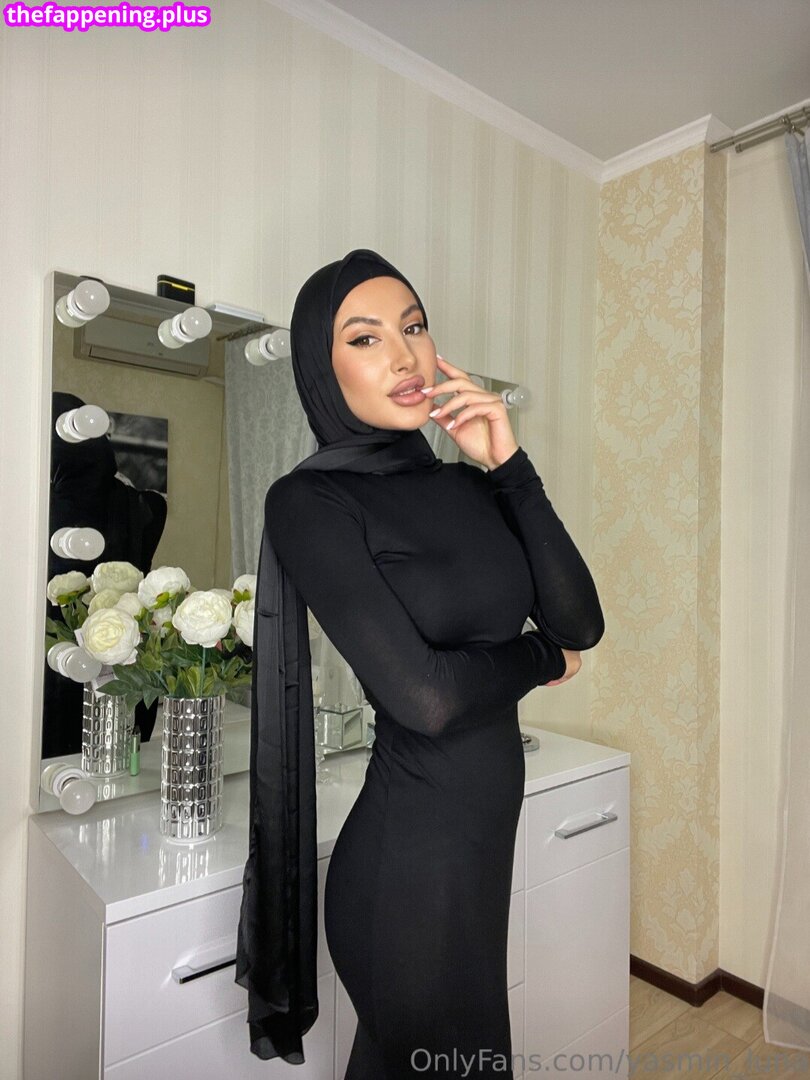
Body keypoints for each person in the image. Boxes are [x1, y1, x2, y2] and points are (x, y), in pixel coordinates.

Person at [235, 249, 604, 1078]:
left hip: (474, 857)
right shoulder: (312, 500)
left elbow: (583, 620)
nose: (404, 356)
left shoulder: (474, 488)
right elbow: (427, 700)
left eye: (414, 327)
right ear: (321, 368)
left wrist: (508, 466)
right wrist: (542, 655)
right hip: (406, 872)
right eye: (365, 338)